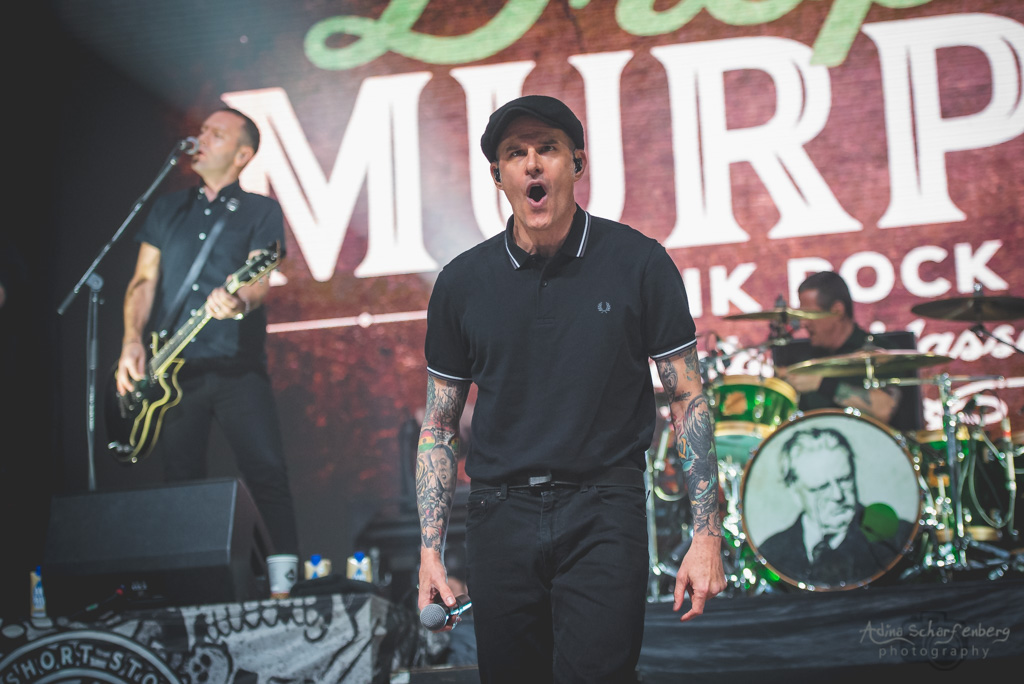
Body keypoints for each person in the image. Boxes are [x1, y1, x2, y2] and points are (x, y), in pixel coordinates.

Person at [415, 95, 725, 683]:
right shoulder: (461, 283)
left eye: (548, 149)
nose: (533, 163)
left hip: (603, 507)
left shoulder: (638, 262)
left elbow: (688, 399)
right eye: (516, 153)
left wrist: (706, 534)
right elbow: (439, 424)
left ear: (576, 163)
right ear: (498, 175)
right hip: (499, 513)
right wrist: (430, 551)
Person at [115, 107, 300, 589]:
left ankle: (285, 586)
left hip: (237, 366)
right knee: (179, 480)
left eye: (216, 134)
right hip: (170, 370)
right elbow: (143, 280)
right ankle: (187, 587)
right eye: (202, 131)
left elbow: (260, 279)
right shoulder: (168, 208)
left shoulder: (260, 211)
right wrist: (132, 341)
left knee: (266, 472)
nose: (201, 138)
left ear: (242, 155)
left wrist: (238, 302)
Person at [755, 426, 916, 586]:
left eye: (844, 479)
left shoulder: (899, 540)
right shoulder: (771, 552)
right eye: (821, 487)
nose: (838, 496)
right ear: (794, 491)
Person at [775, 271, 921, 432]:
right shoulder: (804, 359)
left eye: (809, 314)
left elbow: (883, 409)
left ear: (837, 310)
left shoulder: (881, 353)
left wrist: (821, 384)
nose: (803, 323)